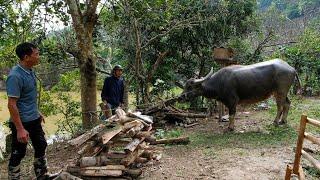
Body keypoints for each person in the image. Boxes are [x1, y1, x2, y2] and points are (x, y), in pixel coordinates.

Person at [6, 42, 49, 180]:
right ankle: (14, 177)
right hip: (22, 122)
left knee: (41, 145)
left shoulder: (30, 71)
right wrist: (20, 129)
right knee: (19, 152)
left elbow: (27, 97)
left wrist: (37, 112)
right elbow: (11, 104)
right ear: (26, 57)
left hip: (34, 118)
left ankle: (42, 175)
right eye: (36, 54)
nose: (38, 56)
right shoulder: (15, 76)